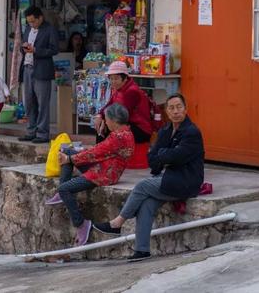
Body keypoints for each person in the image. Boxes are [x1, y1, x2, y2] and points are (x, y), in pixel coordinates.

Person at [93, 94, 205, 262]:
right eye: (171, 108)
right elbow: (152, 158)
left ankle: (117, 223)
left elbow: (177, 156)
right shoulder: (166, 130)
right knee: (146, 204)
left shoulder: (191, 132)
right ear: (166, 111)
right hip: (168, 177)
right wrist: (164, 156)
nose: (176, 111)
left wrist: (163, 155)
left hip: (186, 181)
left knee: (142, 186)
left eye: (179, 107)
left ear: (185, 109)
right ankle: (142, 250)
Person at [44, 104, 135, 246]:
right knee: (68, 151)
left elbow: (96, 153)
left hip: (104, 174)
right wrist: (75, 154)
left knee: (64, 188)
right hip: (103, 166)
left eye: (106, 119)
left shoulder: (119, 136)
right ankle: (62, 194)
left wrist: (71, 159)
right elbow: (101, 150)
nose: (105, 122)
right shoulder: (125, 133)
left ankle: (81, 224)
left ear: (114, 120)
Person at [18, 6, 59, 144]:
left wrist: (36, 50)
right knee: (29, 103)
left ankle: (42, 133)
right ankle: (31, 131)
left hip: (42, 70)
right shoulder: (28, 29)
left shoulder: (49, 29)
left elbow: (54, 50)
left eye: (33, 21)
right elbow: (22, 47)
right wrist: (23, 48)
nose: (31, 24)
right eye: (29, 22)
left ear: (40, 17)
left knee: (42, 104)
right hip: (27, 68)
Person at [94, 61, 153, 148]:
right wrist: (100, 116)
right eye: (111, 78)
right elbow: (109, 105)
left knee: (106, 129)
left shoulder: (132, 92)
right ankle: (100, 154)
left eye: (116, 78)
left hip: (140, 129)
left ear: (125, 78)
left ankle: (101, 155)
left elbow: (123, 116)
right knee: (102, 126)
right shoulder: (119, 89)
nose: (113, 81)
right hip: (126, 123)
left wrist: (107, 121)